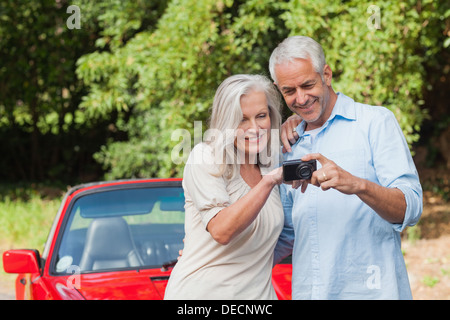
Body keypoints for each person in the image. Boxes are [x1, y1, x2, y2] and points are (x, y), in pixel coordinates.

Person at [271, 36, 423, 299]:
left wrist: (358, 185)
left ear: (326, 74)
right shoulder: (288, 144)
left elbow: (411, 208)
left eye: (308, 85)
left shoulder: (375, 122)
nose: (301, 98)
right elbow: (286, 232)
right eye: (289, 91)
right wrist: (219, 256)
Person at [164, 74, 286, 300]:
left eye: (261, 116)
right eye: (242, 120)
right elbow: (222, 230)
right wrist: (269, 182)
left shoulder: (271, 165)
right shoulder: (206, 157)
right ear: (226, 123)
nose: (254, 128)